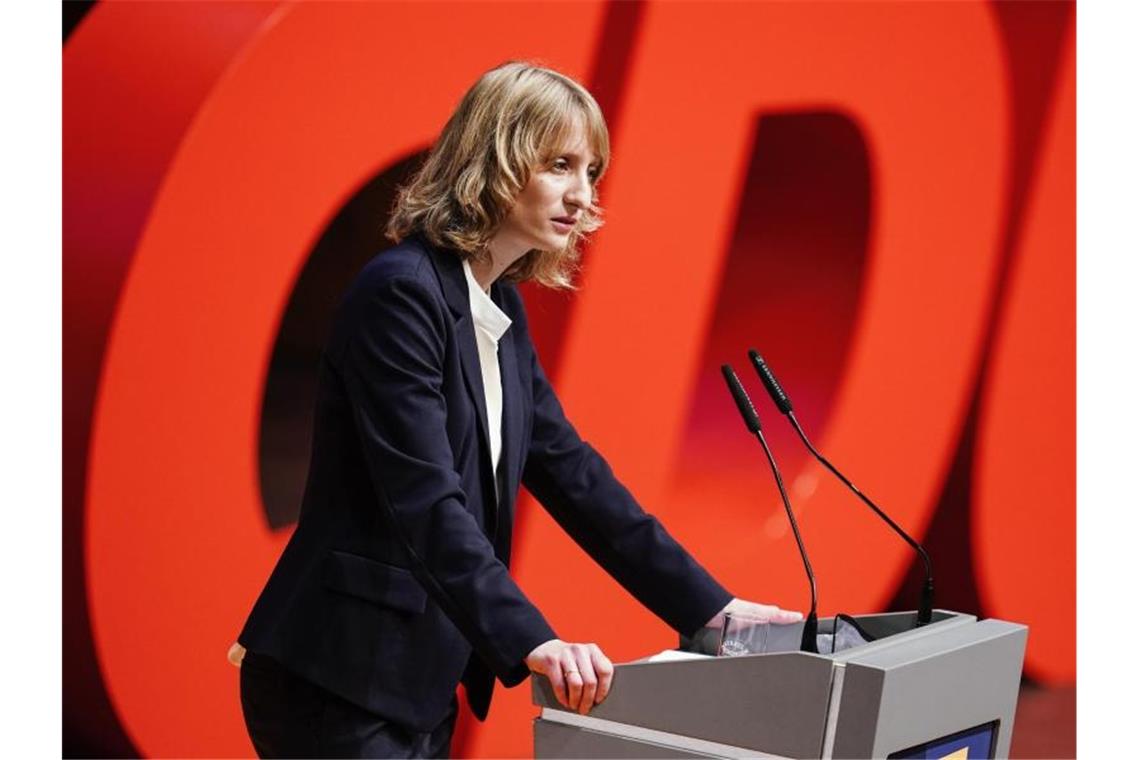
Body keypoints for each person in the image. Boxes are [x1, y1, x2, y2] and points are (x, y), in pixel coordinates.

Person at [231, 61, 802, 759]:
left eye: (590, 171)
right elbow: (425, 502)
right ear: (496, 159)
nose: (582, 196)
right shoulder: (400, 296)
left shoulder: (497, 303)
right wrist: (536, 639)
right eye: (559, 165)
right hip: (337, 675)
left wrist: (711, 610)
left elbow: (574, 476)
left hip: (416, 677)